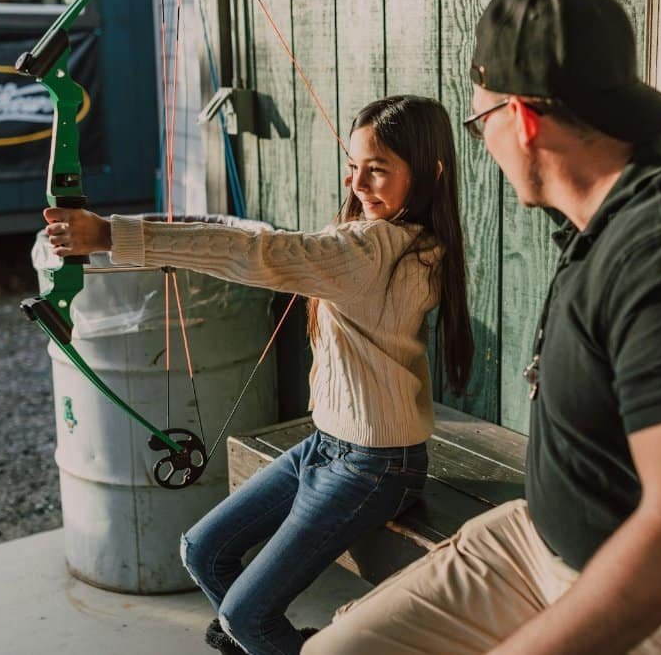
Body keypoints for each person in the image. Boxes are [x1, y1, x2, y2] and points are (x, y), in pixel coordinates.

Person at [302, 0, 661, 654]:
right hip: (546, 539)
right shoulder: (602, 220)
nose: (486, 149)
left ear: (522, 120)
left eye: (480, 125)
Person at [44, 95, 474, 655]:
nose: (358, 182)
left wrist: (110, 236)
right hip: (331, 447)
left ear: (430, 172)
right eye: (354, 164)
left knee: (245, 614)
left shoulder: (375, 249)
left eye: (379, 168)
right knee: (203, 550)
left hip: (374, 465)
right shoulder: (399, 241)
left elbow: (255, 251)